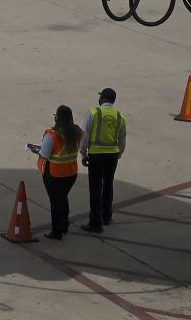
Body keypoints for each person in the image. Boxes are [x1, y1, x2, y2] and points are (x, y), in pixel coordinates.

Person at [34, 105, 82, 240]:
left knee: (56, 202)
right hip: (71, 172)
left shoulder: (52, 134)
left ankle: (57, 231)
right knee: (63, 198)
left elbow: (45, 153)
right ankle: (64, 224)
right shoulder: (77, 131)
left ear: (57, 118)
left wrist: (36, 150)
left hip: (55, 173)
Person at [82, 88, 126, 232]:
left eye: (101, 97)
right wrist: (118, 154)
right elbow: (122, 140)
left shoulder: (94, 113)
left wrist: (83, 153)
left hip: (96, 155)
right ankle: (106, 216)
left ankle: (95, 222)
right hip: (112, 156)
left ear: (103, 99)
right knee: (108, 185)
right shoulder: (120, 116)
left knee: (95, 188)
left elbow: (85, 135)